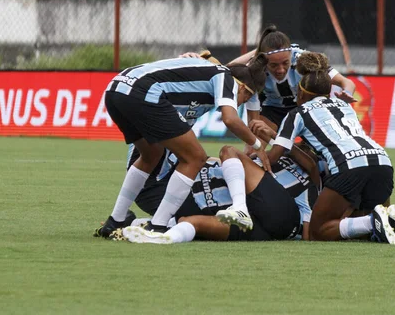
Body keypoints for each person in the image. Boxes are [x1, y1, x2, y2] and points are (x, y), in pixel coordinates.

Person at [94, 54, 270, 238]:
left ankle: (115, 221)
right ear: (242, 87)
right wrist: (257, 144)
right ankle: (158, 226)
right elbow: (230, 119)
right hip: (144, 92)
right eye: (246, 96)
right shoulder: (225, 77)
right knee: (195, 158)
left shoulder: (208, 73)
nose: (241, 102)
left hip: (116, 89)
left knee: (151, 154)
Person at [258, 51, 395, 244]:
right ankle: (393, 220)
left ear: (300, 93)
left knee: (319, 231)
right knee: (361, 222)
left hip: (349, 165)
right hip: (382, 161)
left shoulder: (297, 113)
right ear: (328, 93)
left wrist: (255, 154)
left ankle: (373, 220)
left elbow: (274, 156)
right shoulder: (344, 105)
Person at [120, 144, 318, 243]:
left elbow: (309, 229)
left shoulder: (311, 184)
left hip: (279, 218)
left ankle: (239, 209)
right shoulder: (265, 162)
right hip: (259, 229)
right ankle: (162, 237)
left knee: (230, 151)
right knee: (191, 222)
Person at [229, 25, 358, 131]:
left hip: (304, 108)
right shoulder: (256, 66)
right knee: (254, 142)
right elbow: (228, 68)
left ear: (291, 53)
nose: (280, 70)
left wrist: (345, 94)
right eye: (273, 65)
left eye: (285, 63)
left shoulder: (305, 59)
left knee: (314, 153)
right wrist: (258, 51)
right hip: (271, 112)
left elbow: (346, 82)